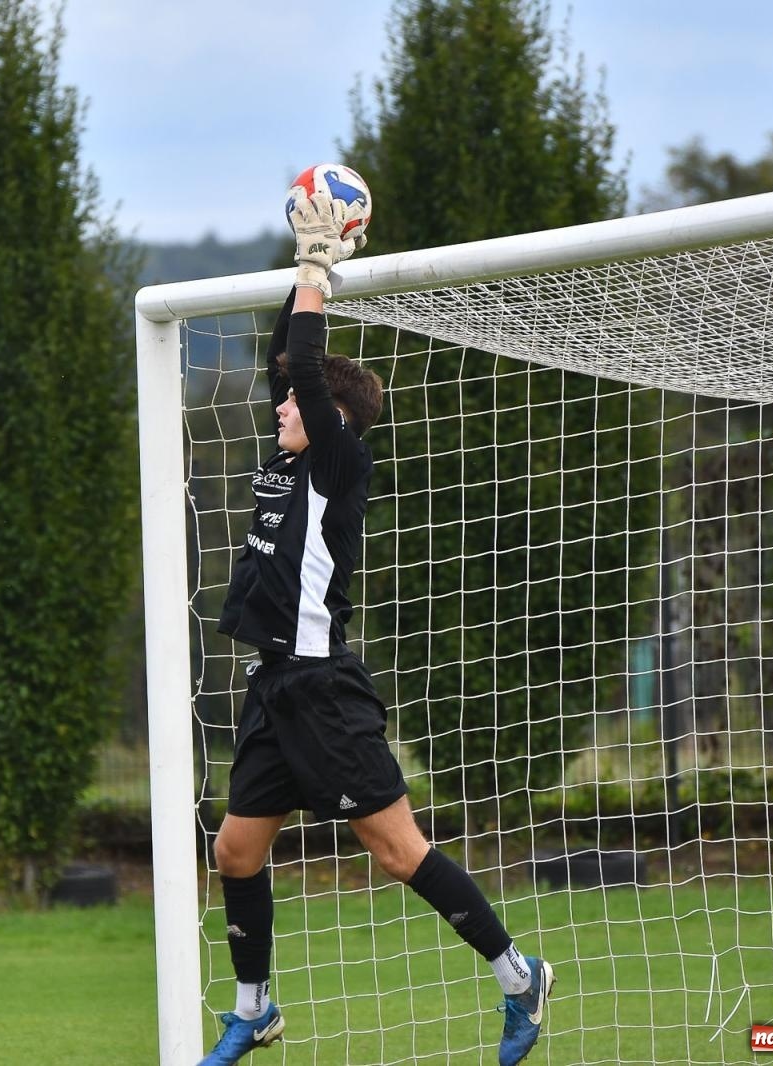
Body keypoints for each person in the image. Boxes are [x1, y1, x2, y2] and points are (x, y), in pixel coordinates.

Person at [198, 185, 555, 1066]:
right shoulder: (286, 460)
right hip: (273, 687)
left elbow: (303, 369)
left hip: (325, 692)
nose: (279, 406)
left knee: (398, 855)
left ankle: (520, 977)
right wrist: (303, 279)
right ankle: (254, 1010)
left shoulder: (337, 461)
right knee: (235, 853)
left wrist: (318, 267)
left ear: (332, 421)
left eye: (295, 402)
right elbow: (290, 358)